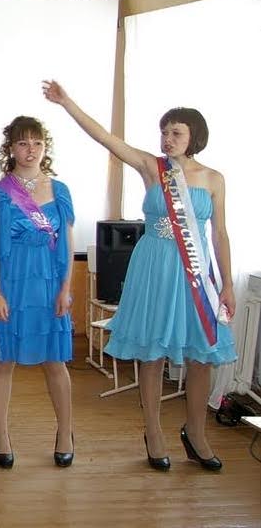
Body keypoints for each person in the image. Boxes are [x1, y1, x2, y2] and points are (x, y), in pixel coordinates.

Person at [44, 80, 235, 471]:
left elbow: (219, 233)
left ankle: (196, 432)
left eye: (176, 132)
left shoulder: (214, 179)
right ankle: (153, 431)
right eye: (164, 132)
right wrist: (67, 103)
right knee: (152, 354)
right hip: (154, 269)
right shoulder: (152, 167)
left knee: (202, 356)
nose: (167, 138)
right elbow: (105, 138)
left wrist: (229, 284)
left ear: (193, 135)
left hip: (194, 275)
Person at [0, 116, 76, 469]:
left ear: (45, 147)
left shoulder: (61, 190)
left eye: (37, 143)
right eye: (23, 143)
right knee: (3, 361)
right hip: (11, 284)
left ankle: (66, 431)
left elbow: (67, 244)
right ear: (11, 149)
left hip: (50, 284)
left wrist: (67, 288)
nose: (31, 150)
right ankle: (0, 433)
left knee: (56, 362)